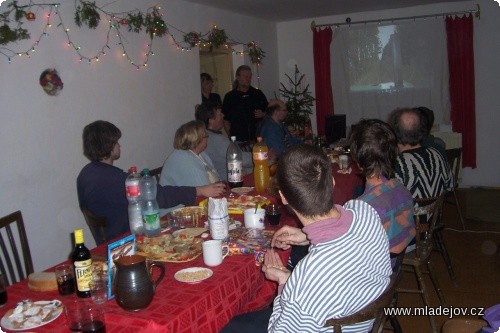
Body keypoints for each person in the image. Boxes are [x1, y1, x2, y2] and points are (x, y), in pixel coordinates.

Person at [220, 145, 392, 333]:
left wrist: (285, 282)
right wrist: (305, 236)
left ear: (283, 198)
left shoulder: (309, 275)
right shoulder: (365, 212)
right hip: (358, 313)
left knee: (225, 327)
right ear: (332, 183)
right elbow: (346, 244)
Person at [77, 120, 226, 243]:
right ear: (109, 145)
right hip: (127, 239)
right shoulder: (115, 179)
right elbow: (158, 195)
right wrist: (199, 190)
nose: (119, 145)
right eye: (116, 142)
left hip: (110, 236)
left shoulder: (85, 174)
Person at [350, 119, 415, 260]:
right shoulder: (400, 187)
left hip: (376, 272)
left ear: (357, 159)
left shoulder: (362, 207)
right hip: (396, 262)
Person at [388, 108, 453, 199]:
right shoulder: (437, 154)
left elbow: (389, 200)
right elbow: (450, 186)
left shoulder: (397, 163)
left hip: (407, 213)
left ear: (394, 133)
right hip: (435, 212)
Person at [195, 102, 253, 180]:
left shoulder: (201, 136)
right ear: (211, 120)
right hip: (229, 180)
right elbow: (242, 159)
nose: (223, 115)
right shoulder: (217, 140)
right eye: (219, 115)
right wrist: (262, 155)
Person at [159, 120, 221, 187]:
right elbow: (203, 188)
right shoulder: (184, 158)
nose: (208, 137)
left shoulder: (201, 154)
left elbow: (218, 180)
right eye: (205, 134)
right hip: (177, 197)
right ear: (197, 139)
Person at [222, 65, 268, 142]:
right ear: (238, 77)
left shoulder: (257, 94)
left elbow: (271, 112)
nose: (248, 79)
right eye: (246, 77)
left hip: (257, 139)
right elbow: (226, 119)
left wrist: (263, 114)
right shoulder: (230, 96)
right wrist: (231, 136)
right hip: (238, 140)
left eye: (250, 77)